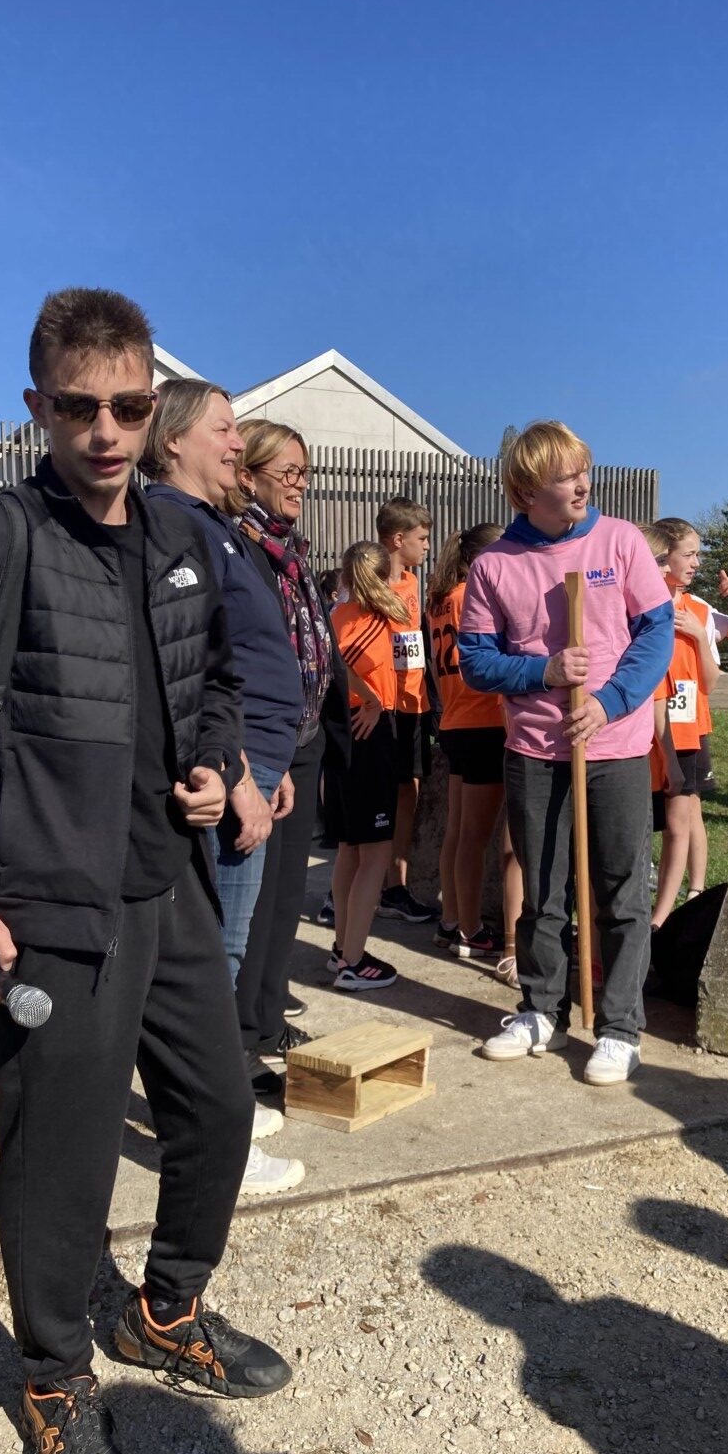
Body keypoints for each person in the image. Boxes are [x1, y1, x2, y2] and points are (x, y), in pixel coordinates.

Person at [0, 288, 290, 1454]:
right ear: (38, 407)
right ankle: (54, 1378)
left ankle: (164, 1309)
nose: (105, 431)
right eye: (78, 407)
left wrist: (215, 760)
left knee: (218, 1105)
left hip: (166, 882)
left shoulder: (180, 531)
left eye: (126, 406)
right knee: (60, 1159)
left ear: (151, 406)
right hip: (47, 905)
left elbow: (218, 676)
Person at [459, 420, 672, 1085]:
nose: (583, 484)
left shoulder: (621, 541)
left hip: (615, 746)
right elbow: (475, 662)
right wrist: (543, 672)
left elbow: (656, 633)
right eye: (565, 477)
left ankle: (619, 1028)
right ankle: (540, 1010)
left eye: (584, 470)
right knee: (542, 890)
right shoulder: (495, 565)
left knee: (620, 889)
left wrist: (609, 701)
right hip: (534, 749)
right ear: (527, 492)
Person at [140, 381, 306, 1197]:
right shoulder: (174, 525)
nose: (239, 442)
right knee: (211, 959)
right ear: (173, 440)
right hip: (230, 769)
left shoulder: (213, 526)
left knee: (219, 954)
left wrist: (270, 765)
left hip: (258, 761)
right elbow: (189, 668)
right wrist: (238, 772)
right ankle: (213, 1139)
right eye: (225, 428)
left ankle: (215, 1109)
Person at [230, 419, 352, 1068]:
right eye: (288, 473)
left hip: (303, 740)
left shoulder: (291, 549)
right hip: (260, 745)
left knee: (283, 899)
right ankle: (242, 1037)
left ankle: (268, 1017)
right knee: (251, 904)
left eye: (305, 472)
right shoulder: (237, 545)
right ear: (247, 476)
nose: (300, 484)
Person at [425, 523, 516, 959]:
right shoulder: (472, 597)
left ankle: (451, 921)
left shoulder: (440, 599)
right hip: (483, 720)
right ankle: (471, 929)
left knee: (459, 832)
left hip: (455, 719)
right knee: (475, 838)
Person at [326, 540, 406, 989]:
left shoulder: (335, 614)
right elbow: (344, 666)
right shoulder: (380, 616)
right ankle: (353, 962)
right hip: (369, 733)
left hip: (342, 732)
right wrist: (374, 698)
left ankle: (342, 949)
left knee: (349, 849)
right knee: (375, 852)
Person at [642, 517, 721, 925]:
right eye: (688, 555)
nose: (696, 563)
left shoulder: (697, 610)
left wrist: (699, 636)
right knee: (647, 820)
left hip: (686, 730)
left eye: (697, 555)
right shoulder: (643, 607)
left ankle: (662, 915)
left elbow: (709, 682)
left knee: (681, 818)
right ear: (663, 556)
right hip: (644, 730)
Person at [374, 497, 438, 926]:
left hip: (415, 702)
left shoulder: (414, 583)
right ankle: (369, 885)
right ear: (398, 539)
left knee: (409, 791)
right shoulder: (370, 583)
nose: (427, 546)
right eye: (422, 538)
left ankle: (396, 884)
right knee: (381, 794)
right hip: (383, 705)